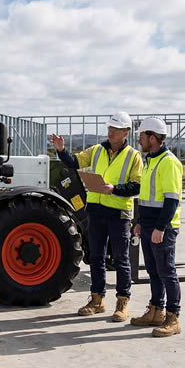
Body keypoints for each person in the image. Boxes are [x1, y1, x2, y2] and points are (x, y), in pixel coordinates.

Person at [49, 111, 142, 322]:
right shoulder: (97, 150)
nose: (110, 132)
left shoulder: (133, 156)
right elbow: (75, 162)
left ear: (126, 132)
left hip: (118, 214)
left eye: (115, 129)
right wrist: (62, 150)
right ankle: (97, 300)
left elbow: (137, 185)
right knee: (97, 258)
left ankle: (122, 302)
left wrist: (115, 189)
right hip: (96, 212)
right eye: (109, 128)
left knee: (121, 259)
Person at [130, 116, 183, 337]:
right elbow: (146, 197)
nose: (139, 140)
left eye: (142, 136)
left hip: (164, 227)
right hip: (149, 225)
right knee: (153, 271)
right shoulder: (150, 160)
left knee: (166, 271)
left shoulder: (168, 162)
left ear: (152, 137)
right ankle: (155, 311)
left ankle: (173, 317)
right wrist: (140, 222)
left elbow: (171, 200)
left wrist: (161, 228)